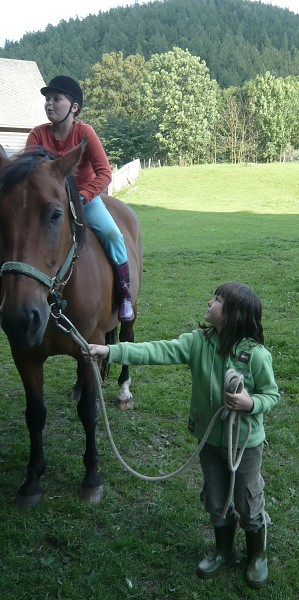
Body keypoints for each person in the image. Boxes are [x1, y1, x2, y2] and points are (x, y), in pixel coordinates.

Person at [81, 281, 279, 588]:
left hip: (245, 445)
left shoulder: (255, 355)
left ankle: (257, 556)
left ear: (234, 315)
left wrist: (251, 402)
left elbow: (272, 395)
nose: (210, 303)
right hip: (209, 439)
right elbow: (158, 350)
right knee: (216, 497)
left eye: (217, 300)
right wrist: (110, 349)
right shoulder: (198, 342)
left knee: (248, 500)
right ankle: (223, 551)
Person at [26, 75, 134, 321]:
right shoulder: (37, 135)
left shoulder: (85, 132)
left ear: (74, 107)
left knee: (112, 234)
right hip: (49, 204)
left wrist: (83, 197)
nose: (49, 104)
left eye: (56, 99)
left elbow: (105, 173)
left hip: (86, 200)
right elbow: (29, 174)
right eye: (47, 99)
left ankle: (125, 294)